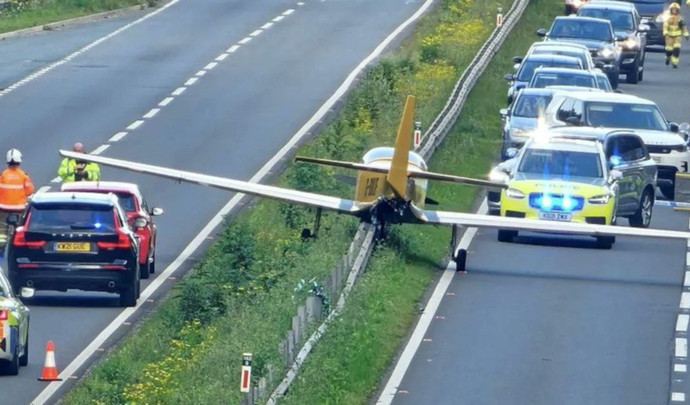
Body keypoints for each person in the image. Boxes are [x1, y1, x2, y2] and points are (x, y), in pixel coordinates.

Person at [0, 149, 34, 248]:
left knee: (2, 228)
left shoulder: (3, 175)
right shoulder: (23, 176)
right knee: (20, 227)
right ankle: (18, 244)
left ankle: (2, 246)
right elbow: (29, 191)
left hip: (3, 208)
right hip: (19, 209)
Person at [664, 2, 689, 68]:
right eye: (673, 9)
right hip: (669, 36)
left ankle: (675, 62)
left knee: (676, 49)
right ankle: (668, 57)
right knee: (669, 49)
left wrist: (686, 34)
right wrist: (665, 33)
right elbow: (665, 26)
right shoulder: (668, 18)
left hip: (677, 36)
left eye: (676, 9)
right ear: (671, 10)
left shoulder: (680, 18)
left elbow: (683, 27)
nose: (674, 11)